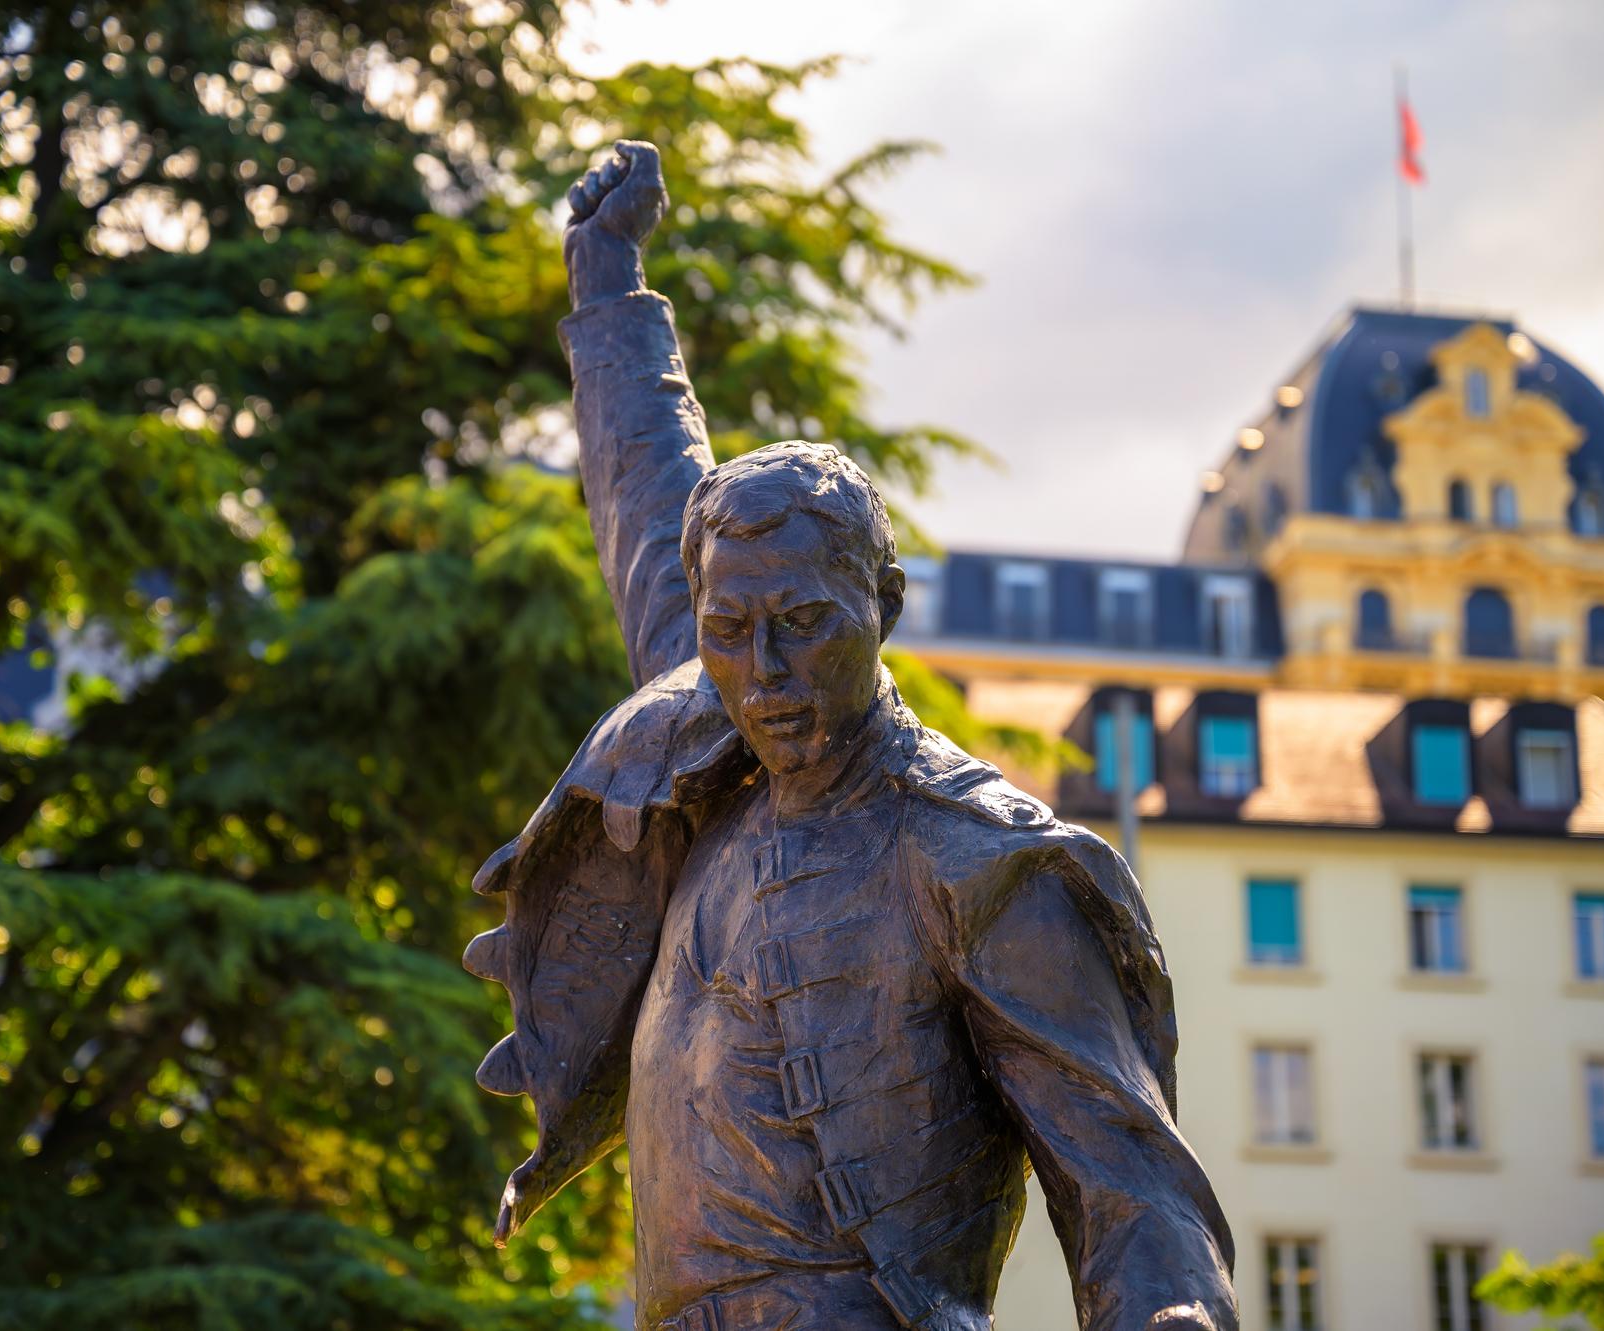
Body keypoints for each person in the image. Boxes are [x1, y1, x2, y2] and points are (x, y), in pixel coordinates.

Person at [465, 141, 1235, 1331]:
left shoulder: (977, 861)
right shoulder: (706, 747)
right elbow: (645, 487)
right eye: (726, 629)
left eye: (803, 626)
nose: (760, 675)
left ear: (884, 606)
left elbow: (1129, 1181)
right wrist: (608, 286)